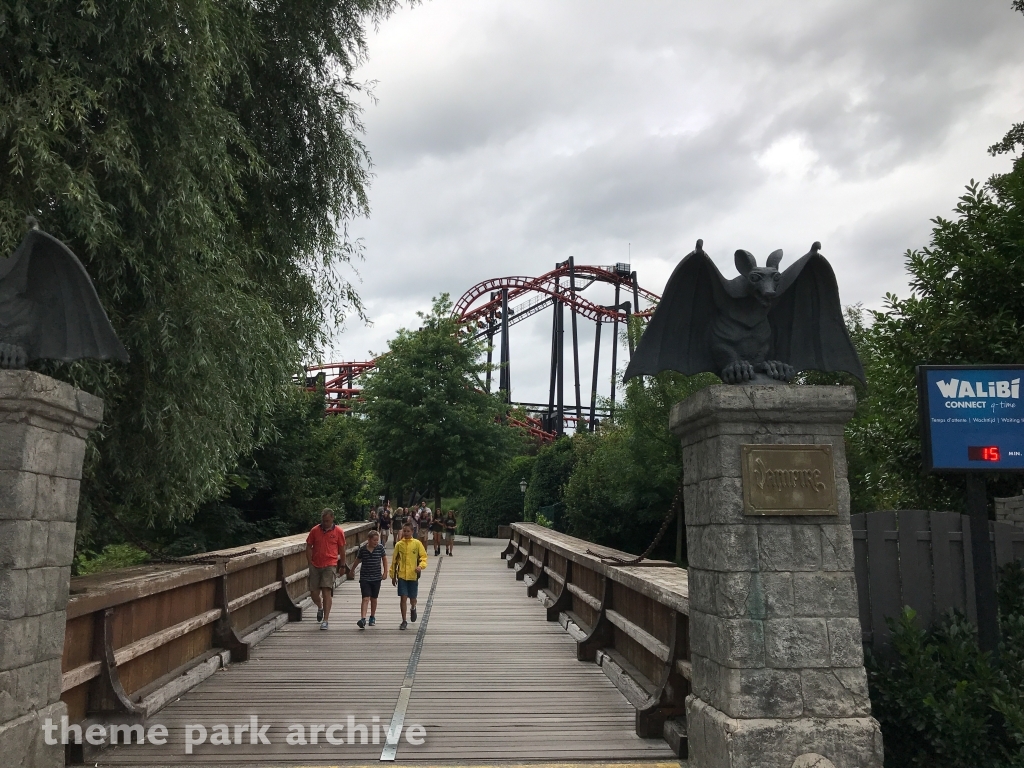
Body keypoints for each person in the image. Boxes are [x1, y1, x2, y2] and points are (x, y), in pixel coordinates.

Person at [305, 509, 347, 630]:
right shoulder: (315, 530)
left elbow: (342, 549)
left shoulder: (338, 531)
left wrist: (342, 565)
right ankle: (320, 607)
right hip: (316, 564)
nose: (325, 523)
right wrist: (310, 562)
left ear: (333, 518)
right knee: (313, 593)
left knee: (326, 591)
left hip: (330, 564)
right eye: (323, 521)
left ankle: (326, 620)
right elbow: (308, 546)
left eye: (327, 521)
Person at [390, 524, 427, 630]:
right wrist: (393, 575)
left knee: (413, 598)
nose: (406, 533)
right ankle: (404, 620)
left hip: (413, 575)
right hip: (402, 575)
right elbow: (394, 561)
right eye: (404, 531)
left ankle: (413, 607)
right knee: (403, 597)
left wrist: (420, 566)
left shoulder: (417, 544)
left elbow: (423, 557)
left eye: (408, 531)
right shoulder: (399, 545)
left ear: (412, 532)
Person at [353, 530, 387, 629]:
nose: (376, 542)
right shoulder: (363, 549)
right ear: (369, 539)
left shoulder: (380, 548)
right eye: (374, 540)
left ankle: (372, 616)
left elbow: (384, 559)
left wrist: (385, 572)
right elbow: (357, 560)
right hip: (365, 577)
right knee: (365, 598)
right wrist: (352, 570)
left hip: (376, 577)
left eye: (377, 540)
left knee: (374, 598)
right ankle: (363, 618)